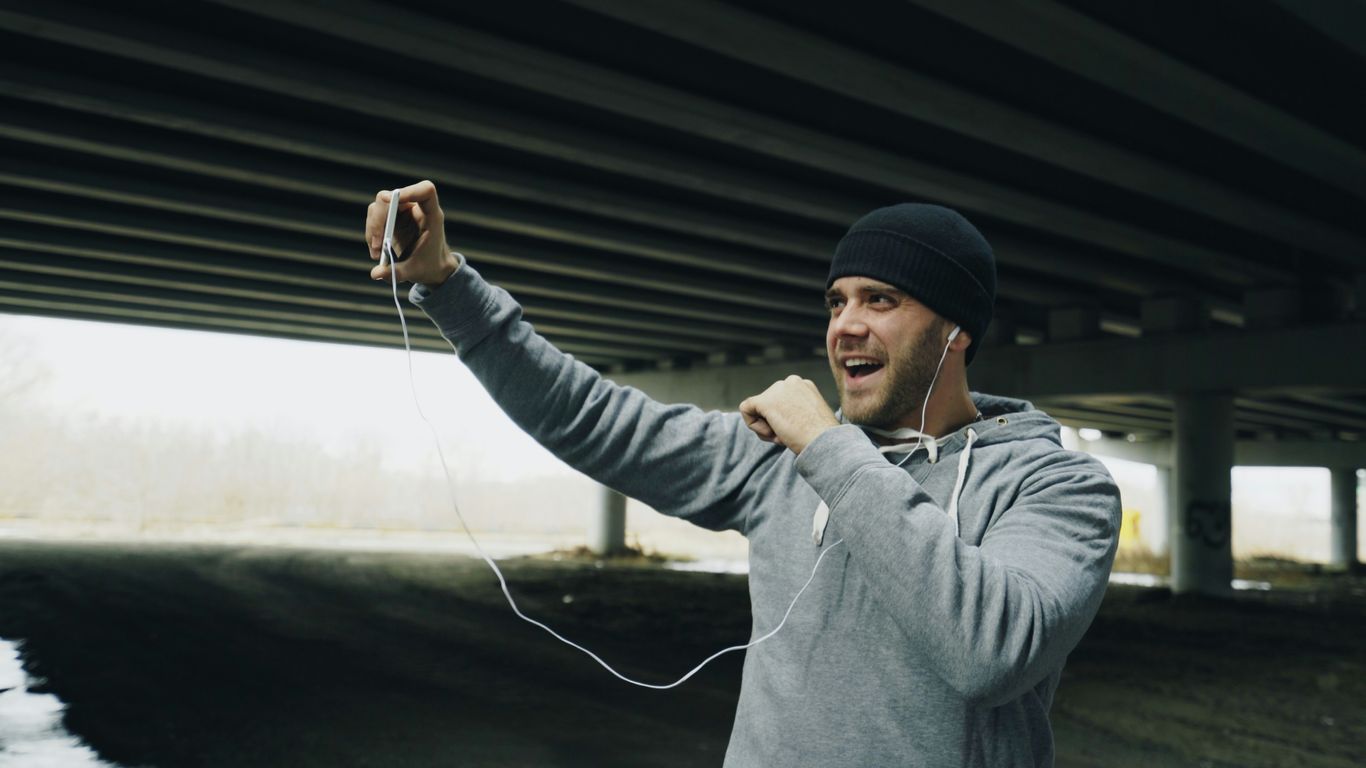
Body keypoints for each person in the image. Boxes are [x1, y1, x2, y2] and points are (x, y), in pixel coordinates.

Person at [364, 180, 1121, 767]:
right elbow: (588, 414)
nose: (844, 324)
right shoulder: (776, 456)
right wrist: (449, 286)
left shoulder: (1058, 488)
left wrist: (829, 449)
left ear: (957, 329)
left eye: (881, 300)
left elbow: (990, 650)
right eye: (836, 301)